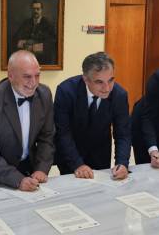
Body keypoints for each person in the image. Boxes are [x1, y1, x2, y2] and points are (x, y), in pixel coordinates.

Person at [0, 50, 54, 191]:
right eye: (27, 77)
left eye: (37, 75)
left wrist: (41, 168)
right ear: (10, 76)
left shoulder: (44, 95)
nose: (33, 83)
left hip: (27, 170)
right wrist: (17, 180)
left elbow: (47, 136)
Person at [54, 52, 131, 180]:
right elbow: (63, 133)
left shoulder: (119, 95)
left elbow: (123, 133)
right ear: (85, 79)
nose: (106, 88)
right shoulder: (66, 91)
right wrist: (77, 164)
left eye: (111, 80)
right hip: (71, 153)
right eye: (99, 82)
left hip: (100, 151)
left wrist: (122, 163)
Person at [12, 0, 56, 65]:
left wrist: (33, 47)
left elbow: (52, 43)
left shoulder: (48, 24)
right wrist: (24, 43)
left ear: (41, 10)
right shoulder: (26, 23)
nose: (35, 11)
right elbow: (16, 38)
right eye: (34, 9)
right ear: (31, 10)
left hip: (42, 60)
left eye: (38, 9)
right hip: (26, 59)